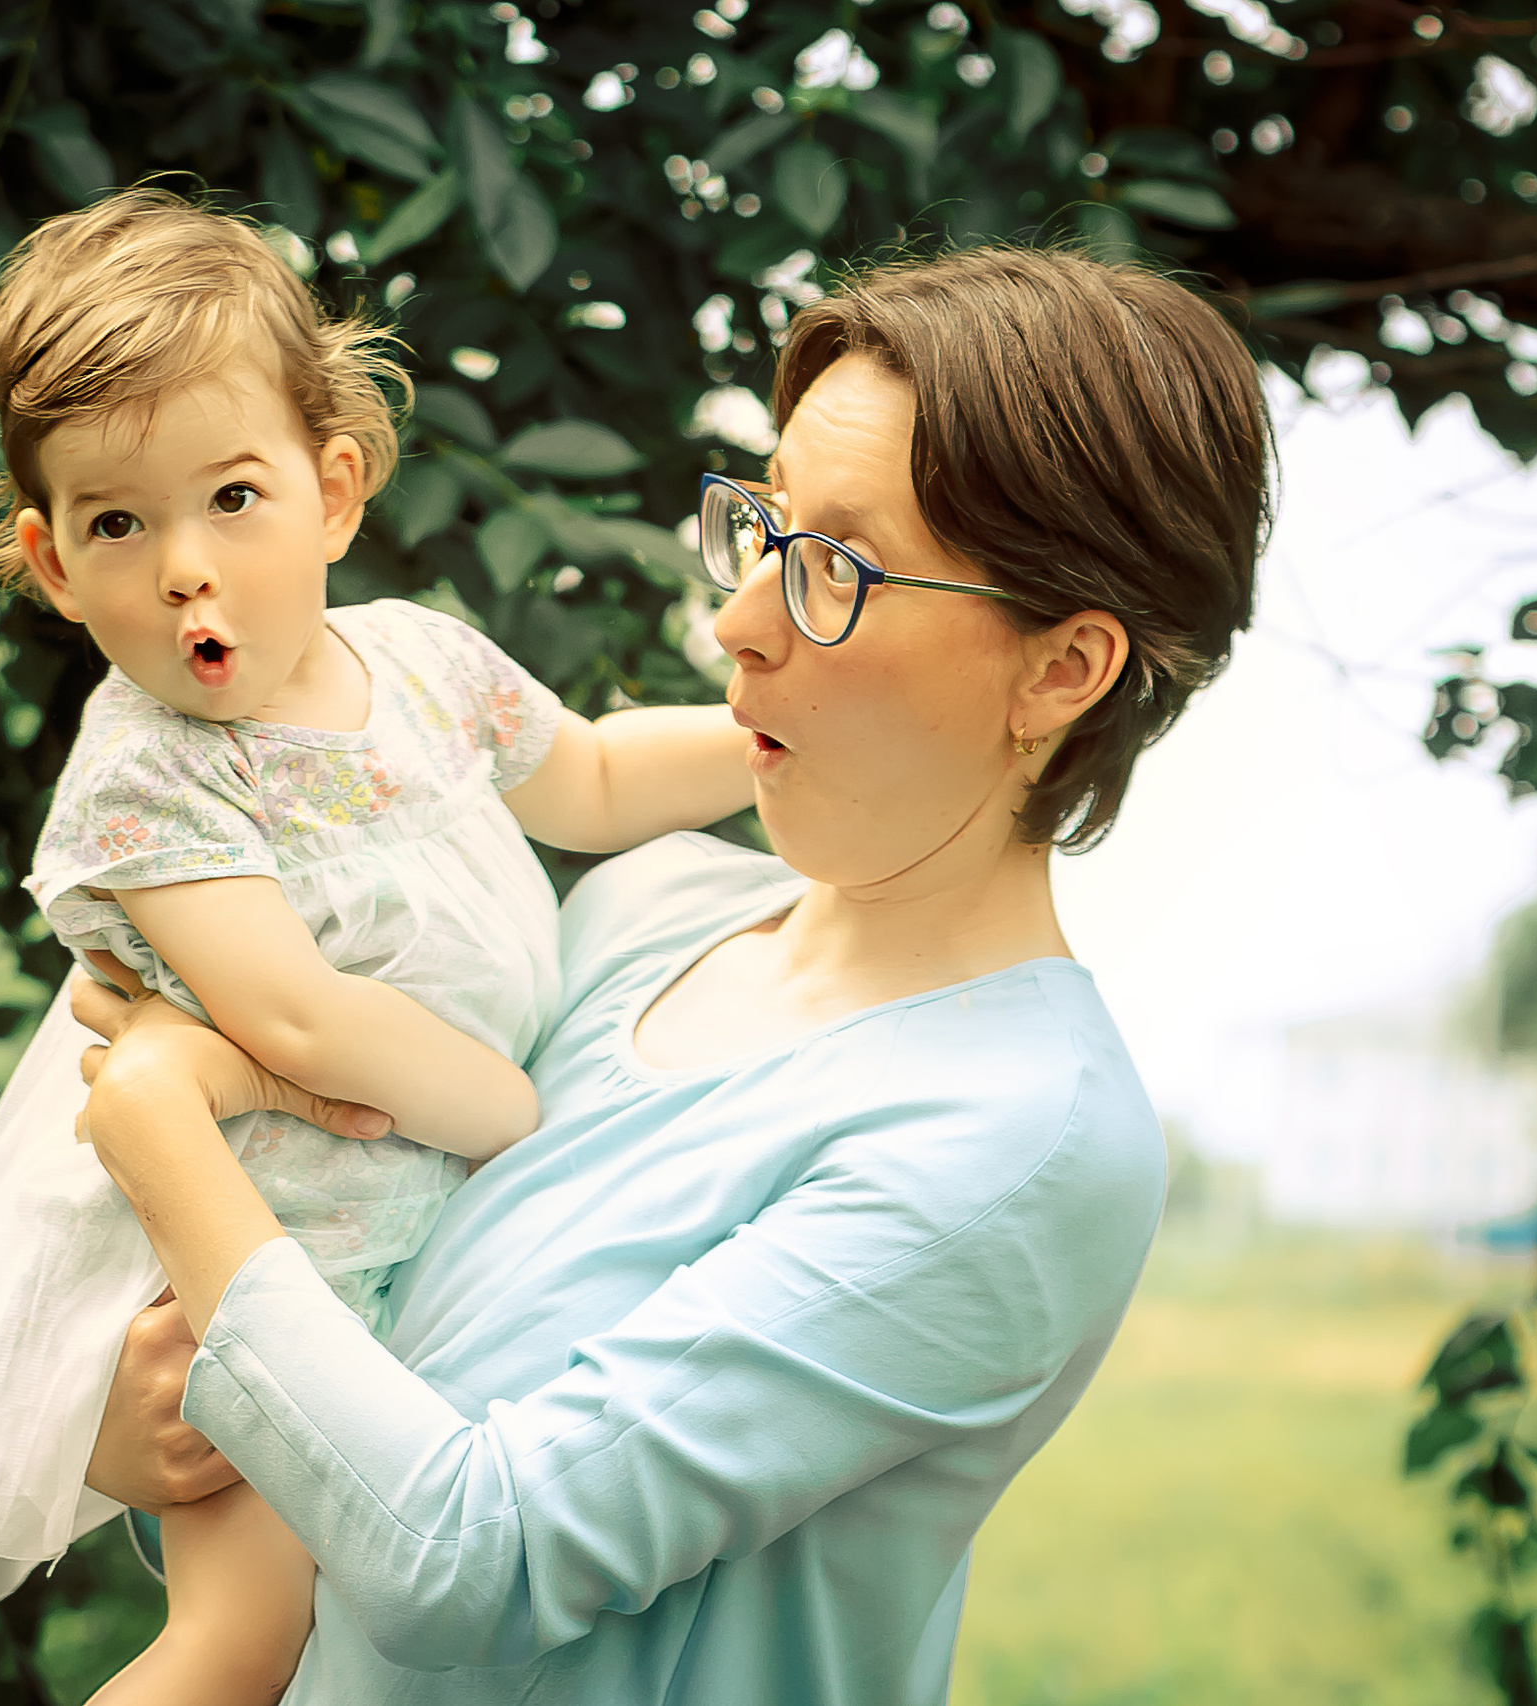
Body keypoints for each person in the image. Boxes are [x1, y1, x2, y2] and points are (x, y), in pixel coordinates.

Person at [68, 243, 1272, 1703]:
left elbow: (474, 1560)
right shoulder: (642, 906)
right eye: (764, 526)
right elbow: (348, 1336)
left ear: (1061, 671)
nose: (739, 618)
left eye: (836, 567)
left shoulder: (1017, 1137)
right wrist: (147, 1419)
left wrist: (157, 1123)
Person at [0, 189, 756, 1705]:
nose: (185, 565)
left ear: (337, 487)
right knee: (241, 1647)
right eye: (120, 523)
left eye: (231, 497)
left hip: (421, 1230)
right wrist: (515, 1111)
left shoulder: (424, 663)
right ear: (53, 567)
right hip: (255, 1272)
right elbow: (295, 1018)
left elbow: (596, 777)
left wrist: (766, 739)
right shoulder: (147, 775)